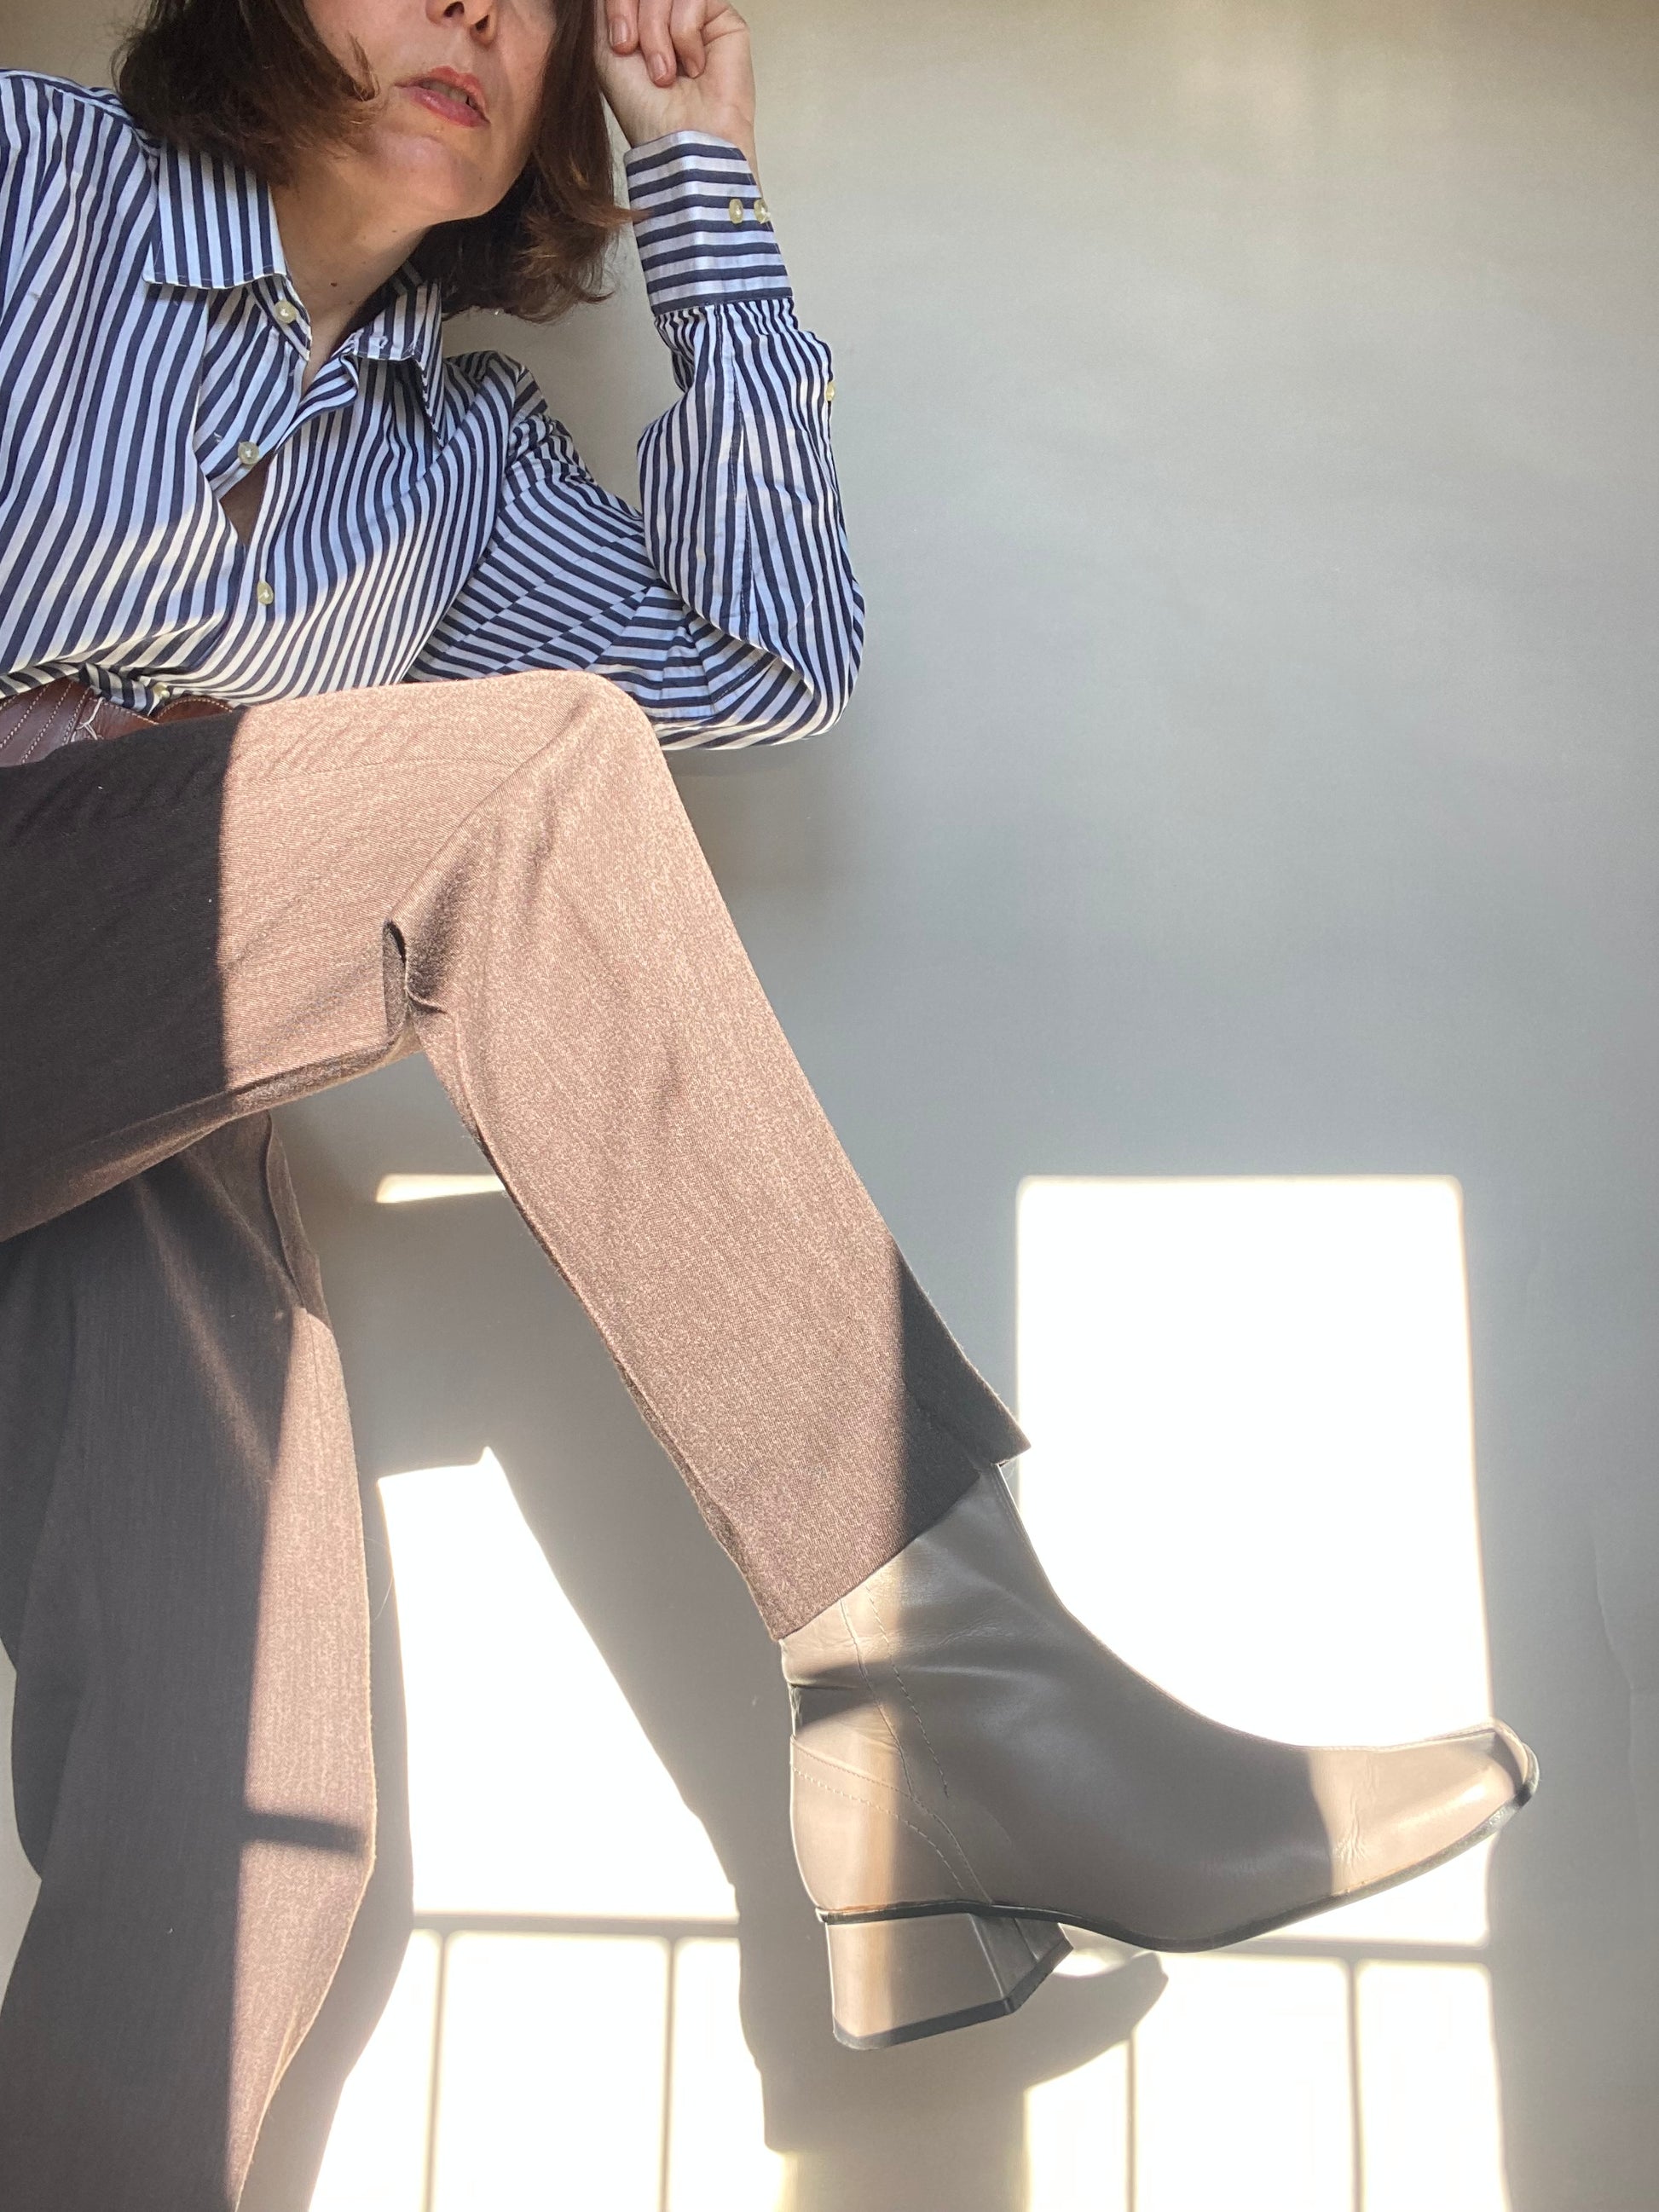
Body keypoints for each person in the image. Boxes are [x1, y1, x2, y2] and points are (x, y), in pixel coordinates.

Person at [0, 0, 1536, 2202]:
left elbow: (760, 662)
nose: (480, 15)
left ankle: (947, 1763)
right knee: (522, 778)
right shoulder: (32, 183)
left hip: (135, 1070)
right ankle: (949, 1709)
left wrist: (703, 182)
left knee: (253, 1801)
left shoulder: (457, 457)